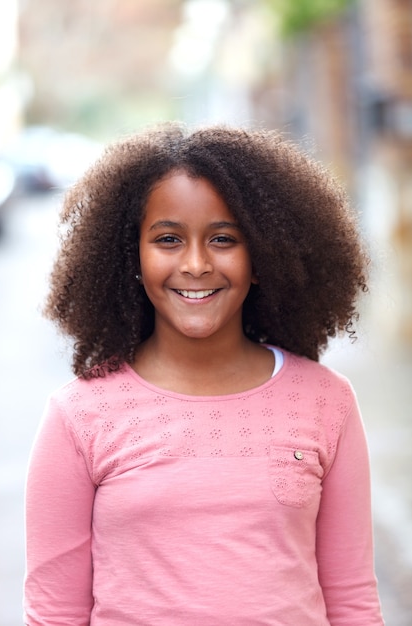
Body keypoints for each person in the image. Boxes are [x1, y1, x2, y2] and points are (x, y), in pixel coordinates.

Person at [24, 123, 385, 625]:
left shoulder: (327, 401)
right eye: (168, 239)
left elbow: (352, 603)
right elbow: (54, 614)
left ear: (263, 256)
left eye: (223, 239)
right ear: (132, 257)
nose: (195, 264)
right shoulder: (79, 415)